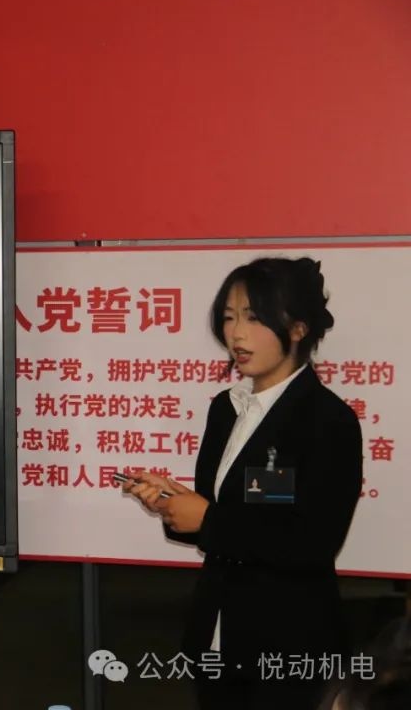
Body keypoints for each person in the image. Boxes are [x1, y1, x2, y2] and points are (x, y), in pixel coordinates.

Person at [124, 256, 363, 710]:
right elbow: (222, 514)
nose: (236, 334)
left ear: (297, 328)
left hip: (288, 647)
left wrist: (208, 518)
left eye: (253, 318)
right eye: (229, 317)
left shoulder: (327, 421)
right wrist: (172, 505)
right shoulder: (226, 408)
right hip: (216, 640)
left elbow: (313, 542)